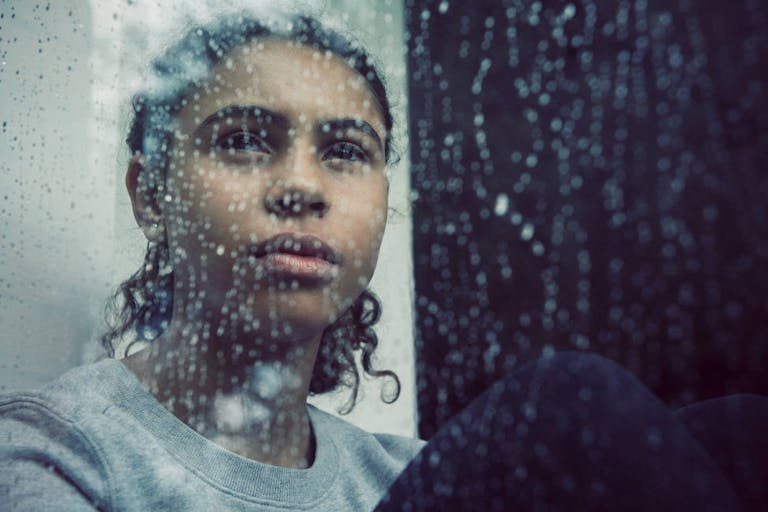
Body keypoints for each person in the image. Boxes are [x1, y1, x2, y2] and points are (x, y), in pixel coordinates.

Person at [1, 9, 767, 512]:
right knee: (569, 403)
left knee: (741, 430)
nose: (302, 185)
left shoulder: (401, 476)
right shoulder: (56, 449)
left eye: (343, 152)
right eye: (241, 139)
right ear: (152, 197)